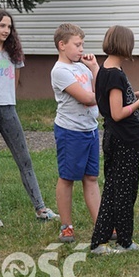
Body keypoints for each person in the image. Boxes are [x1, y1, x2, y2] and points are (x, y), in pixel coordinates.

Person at [0, 9, 58, 228]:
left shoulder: (13, 54)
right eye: (2, 26)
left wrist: (6, 99)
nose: (6, 30)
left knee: (24, 158)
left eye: (9, 26)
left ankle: (41, 208)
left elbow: (14, 83)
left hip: (9, 111)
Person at [90, 25, 139, 255]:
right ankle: (105, 241)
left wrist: (136, 94)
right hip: (123, 140)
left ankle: (123, 240)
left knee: (118, 189)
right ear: (125, 45)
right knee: (121, 191)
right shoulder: (115, 74)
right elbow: (117, 113)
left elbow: (112, 102)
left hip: (115, 139)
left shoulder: (105, 70)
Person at [51, 23, 102, 243]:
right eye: (77, 45)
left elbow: (100, 86)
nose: (82, 49)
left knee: (91, 177)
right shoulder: (60, 71)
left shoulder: (82, 67)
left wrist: (94, 68)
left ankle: (101, 224)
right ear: (62, 45)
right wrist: (105, 94)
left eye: (82, 44)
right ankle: (66, 226)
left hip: (90, 129)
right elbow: (89, 97)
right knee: (68, 177)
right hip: (70, 132)